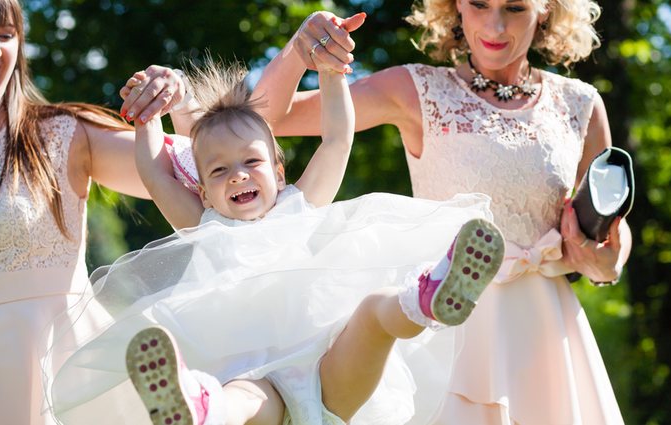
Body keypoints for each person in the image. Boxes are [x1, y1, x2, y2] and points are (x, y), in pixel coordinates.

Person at [45, 52, 506, 425]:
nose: (237, 176)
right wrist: (148, 117)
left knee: (374, 312)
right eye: (219, 170)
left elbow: (337, 139)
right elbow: (154, 172)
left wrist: (331, 72)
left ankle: (429, 298)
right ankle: (200, 407)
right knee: (242, 396)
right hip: (261, 386)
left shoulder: (298, 205)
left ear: (279, 170)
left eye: (251, 162)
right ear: (203, 190)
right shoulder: (206, 224)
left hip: (332, 371)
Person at [251, 0, 632, 423]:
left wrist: (610, 260)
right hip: (442, 325)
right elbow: (268, 119)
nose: (495, 24)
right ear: (455, 6)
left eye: (516, 8)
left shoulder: (581, 104)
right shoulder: (416, 89)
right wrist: (297, 50)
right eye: (479, 4)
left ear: (546, 10)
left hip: (545, 332)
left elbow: (613, 219)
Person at [0, 1, 187, 423]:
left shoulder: (60, 133)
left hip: (66, 378)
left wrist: (179, 98)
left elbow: (198, 175)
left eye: (6, 35)